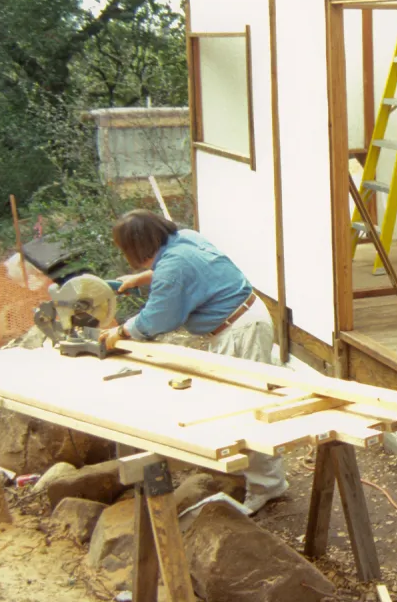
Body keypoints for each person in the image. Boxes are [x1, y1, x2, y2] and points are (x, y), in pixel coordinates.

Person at [99, 210, 287, 508]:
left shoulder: (173, 268)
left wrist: (120, 331)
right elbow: (190, 272)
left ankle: (267, 487)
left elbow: (157, 319)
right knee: (247, 401)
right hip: (246, 318)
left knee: (246, 409)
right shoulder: (185, 238)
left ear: (135, 248)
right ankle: (260, 477)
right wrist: (143, 279)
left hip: (238, 330)